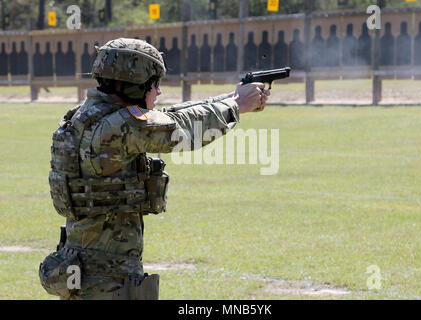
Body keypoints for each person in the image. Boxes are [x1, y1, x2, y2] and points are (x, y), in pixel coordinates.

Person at [39, 38, 270, 300]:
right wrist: (237, 105)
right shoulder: (121, 126)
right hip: (108, 282)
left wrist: (230, 97)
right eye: (154, 84)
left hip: (80, 269)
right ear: (135, 85)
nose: (158, 92)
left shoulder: (84, 116)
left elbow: (168, 116)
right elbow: (183, 130)